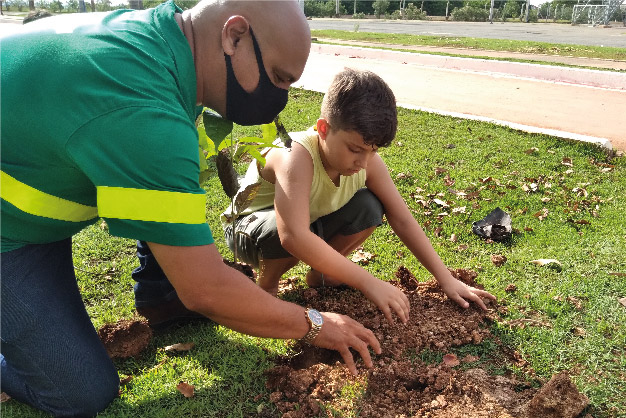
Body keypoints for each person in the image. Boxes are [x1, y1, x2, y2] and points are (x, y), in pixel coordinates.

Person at [1, 2, 382, 416]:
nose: (280, 100)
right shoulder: (143, 107)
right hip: (11, 233)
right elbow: (206, 290)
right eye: (277, 78)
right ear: (233, 36)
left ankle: (160, 294)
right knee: (81, 392)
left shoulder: (162, 42)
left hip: (33, 183)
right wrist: (316, 325)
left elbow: (153, 187)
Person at [222, 68, 496, 322]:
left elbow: (401, 219)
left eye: (373, 151)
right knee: (280, 230)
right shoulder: (295, 155)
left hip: (307, 225)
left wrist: (445, 279)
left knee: (369, 205)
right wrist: (367, 281)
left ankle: (323, 275)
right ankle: (267, 287)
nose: (364, 162)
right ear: (323, 129)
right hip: (249, 230)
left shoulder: (366, 162)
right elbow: (292, 236)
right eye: (355, 150)